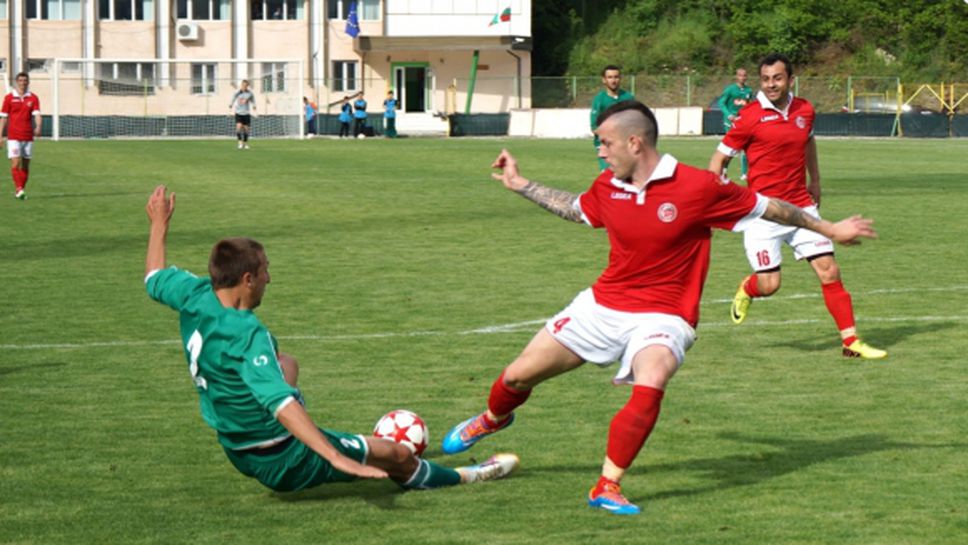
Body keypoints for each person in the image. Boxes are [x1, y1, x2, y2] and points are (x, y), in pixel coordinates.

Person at [440, 100, 878, 515]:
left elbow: (771, 208)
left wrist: (828, 228)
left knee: (652, 376)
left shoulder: (699, 187)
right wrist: (521, 185)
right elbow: (576, 209)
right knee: (517, 374)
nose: (600, 150)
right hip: (602, 305)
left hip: (665, 315)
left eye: (605, 142)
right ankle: (493, 419)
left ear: (635, 143)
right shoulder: (607, 185)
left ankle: (607, 485)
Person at [143, 185, 519, 493]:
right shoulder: (246, 335)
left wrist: (159, 223)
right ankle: (472, 475)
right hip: (281, 456)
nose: (269, 279)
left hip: (234, 445)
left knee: (287, 362)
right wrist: (334, 455)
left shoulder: (196, 293)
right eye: (265, 271)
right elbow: (281, 404)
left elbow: (153, 278)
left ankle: (326, 443)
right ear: (246, 280)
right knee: (396, 456)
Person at [708, 53, 887, 359]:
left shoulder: (805, 109)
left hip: (802, 208)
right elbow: (719, 158)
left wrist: (815, 180)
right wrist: (715, 193)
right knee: (770, 284)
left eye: (777, 78)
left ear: (790, 80)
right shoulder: (750, 116)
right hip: (763, 214)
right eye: (765, 79)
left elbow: (808, 143)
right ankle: (748, 288)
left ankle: (850, 341)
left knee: (829, 270)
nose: (771, 84)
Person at [0, 72, 42, 200]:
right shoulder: (9, 98)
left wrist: (39, 126)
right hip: (13, 136)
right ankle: (19, 189)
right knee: (15, 162)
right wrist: (0, 135)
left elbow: (37, 114)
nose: (23, 82)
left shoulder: (33, 98)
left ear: (28, 82)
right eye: (20, 80)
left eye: (25, 80)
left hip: (28, 136)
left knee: (25, 165)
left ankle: (20, 189)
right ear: (16, 82)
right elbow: (4, 118)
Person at [589, 65, 635, 171]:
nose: (613, 80)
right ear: (604, 80)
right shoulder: (599, 100)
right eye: (610, 77)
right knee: (608, 176)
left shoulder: (629, 98)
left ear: (620, 79)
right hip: (606, 145)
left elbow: (635, 120)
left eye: (616, 77)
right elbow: (594, 127)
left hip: (624, 144)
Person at [717, 67, 753, 180]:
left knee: (745, 147)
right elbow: (721, 103)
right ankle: (723, 171)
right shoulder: (730, 90)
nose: (743, 78)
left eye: (744, 75)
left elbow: (749, 106)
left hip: (743, 122)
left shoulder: (749, 91)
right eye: (740, 75)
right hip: (730, 123)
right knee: (731, 148)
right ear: (736, 77)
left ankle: (744, 174)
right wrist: (728, 114)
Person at [229, 80, 256, 149]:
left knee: (246, 129)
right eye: (243, 85)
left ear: (247, 86)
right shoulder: (237, 92)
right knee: (238, 127)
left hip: (246, 113)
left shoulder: (250, 93)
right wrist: (231, 104)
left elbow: (253, 100)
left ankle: (245, 143)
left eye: (246, 85)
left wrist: (254, 105)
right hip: (238, 113)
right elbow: (233, 98)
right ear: (241, 85)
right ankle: (240, 143)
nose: (244, 86)